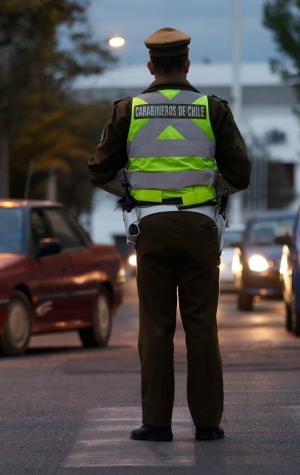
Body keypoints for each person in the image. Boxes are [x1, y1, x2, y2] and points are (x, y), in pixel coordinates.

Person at [88, 27, 251, 442]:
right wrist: (214, 193)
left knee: (156, 327)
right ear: (187, 64)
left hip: (152, 229)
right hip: (200, 228)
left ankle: (157, 423)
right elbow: (241, 174)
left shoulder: (129, 110)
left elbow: (99, 170)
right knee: (201, 326)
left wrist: (132, 194)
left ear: (150, 66)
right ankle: (208, 424)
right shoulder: (212, 109)